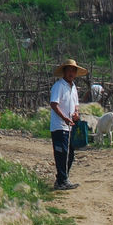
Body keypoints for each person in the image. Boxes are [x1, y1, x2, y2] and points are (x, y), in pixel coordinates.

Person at [49, 58, 87, 190]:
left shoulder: (73, 87)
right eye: (69, 70)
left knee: (69, 154)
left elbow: (76, 104)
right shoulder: (59, 86)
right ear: (64, 71)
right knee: (62, 153)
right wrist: (64, 117)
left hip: (69, 126)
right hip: (59, 126)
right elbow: (54, 104)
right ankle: (62, 180)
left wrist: (76, 113)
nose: (71, 73)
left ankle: (62, 178)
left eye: (73, 70)